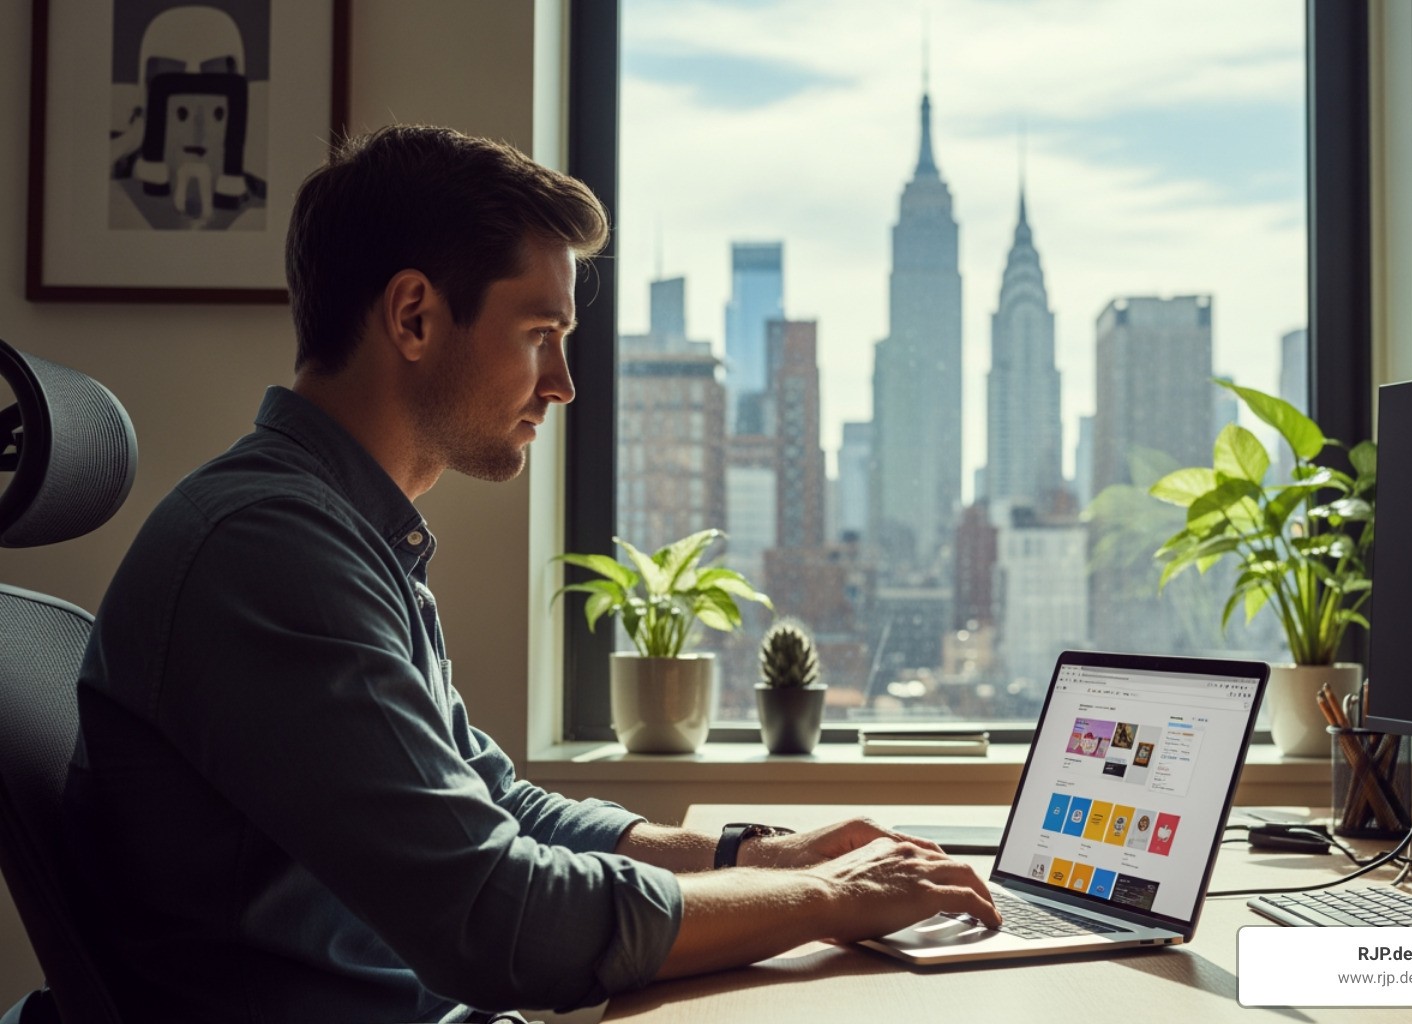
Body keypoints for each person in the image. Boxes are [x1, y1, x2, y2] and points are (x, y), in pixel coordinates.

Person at [63, 124, 999, 1024]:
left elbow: (498, 805)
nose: (563, 383)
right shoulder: (268, 551)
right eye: (539, 333)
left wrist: (748, 852)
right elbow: (496, 915)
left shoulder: (342, 534)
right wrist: (819, 898)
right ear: (415, 316)